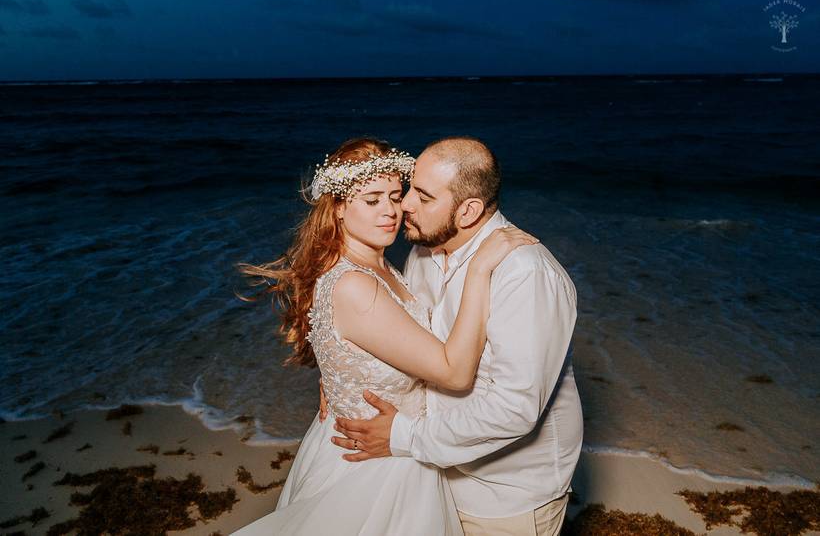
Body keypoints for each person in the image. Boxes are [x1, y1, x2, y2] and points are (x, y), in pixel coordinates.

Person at [230, 137, 538, 536]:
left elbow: (365, 346)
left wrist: (339, 376)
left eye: (396, 196)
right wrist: (480, 270)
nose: (391, 211)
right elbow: (454, 373)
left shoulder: (382, 267)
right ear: (338, 208)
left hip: (384, 444)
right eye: (372, 199)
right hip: (380, 465)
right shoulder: (355, 285)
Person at [330, 136, 583, 536]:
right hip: (430, 473)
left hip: (505, 492)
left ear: (468, 211)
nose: (405, 205)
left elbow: (514, 407)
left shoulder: (525, 274)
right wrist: (338, 372)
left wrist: (406, 436)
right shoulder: (424, 252)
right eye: (411, 188)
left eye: (424, 197)